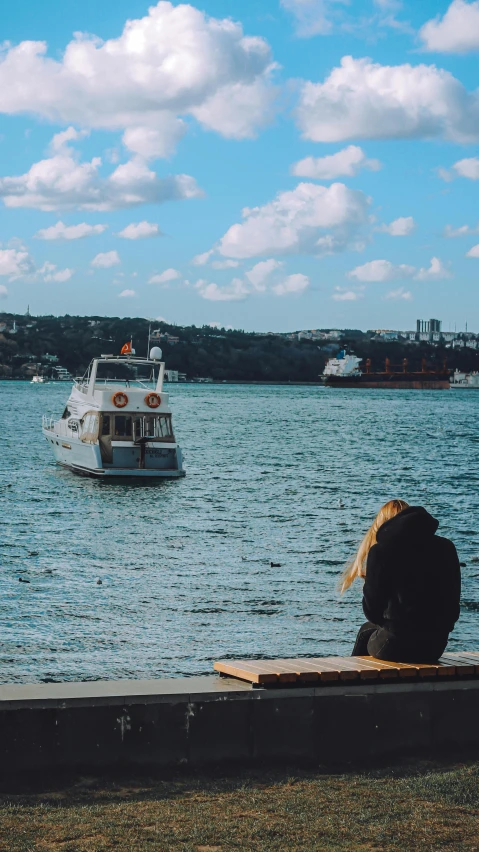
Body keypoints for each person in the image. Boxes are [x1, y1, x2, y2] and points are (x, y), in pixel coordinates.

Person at [341, 500, 461, 663]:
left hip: (396, 645)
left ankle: (354, 684)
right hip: (435, 646)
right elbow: (453, 602)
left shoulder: (380, 550)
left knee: (365, 632)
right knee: (373, 631)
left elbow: (372, 612)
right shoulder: (446, 547)